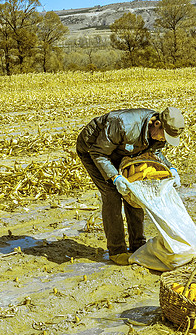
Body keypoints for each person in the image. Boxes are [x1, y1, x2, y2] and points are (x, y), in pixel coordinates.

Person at [75, 107, 185, 264]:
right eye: (164, 136)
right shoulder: (123, 124)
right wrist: (115, 177)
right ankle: (116, 250)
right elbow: (99, 153)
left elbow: (155, 152)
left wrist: (170, 168)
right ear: (157, 123)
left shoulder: (159, 133)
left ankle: (137, 244)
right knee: (111, 193)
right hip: (93, 149)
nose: (163, 140)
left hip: (121, 152)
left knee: (136, 191)